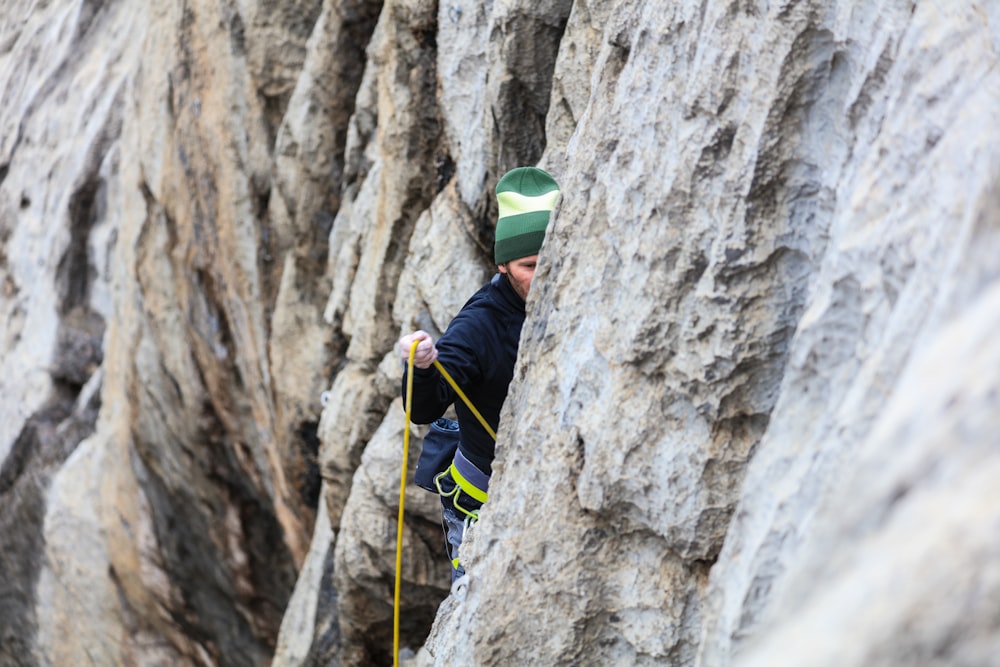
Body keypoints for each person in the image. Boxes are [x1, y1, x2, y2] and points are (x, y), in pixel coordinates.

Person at [397, 166, 560, 582]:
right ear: (503, 264)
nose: (543, 276)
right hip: (482, 498)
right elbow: (425, 407)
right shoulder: (479, 325)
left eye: (552, 262)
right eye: (529, 265)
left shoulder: (569, 290)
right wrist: (422, 367)